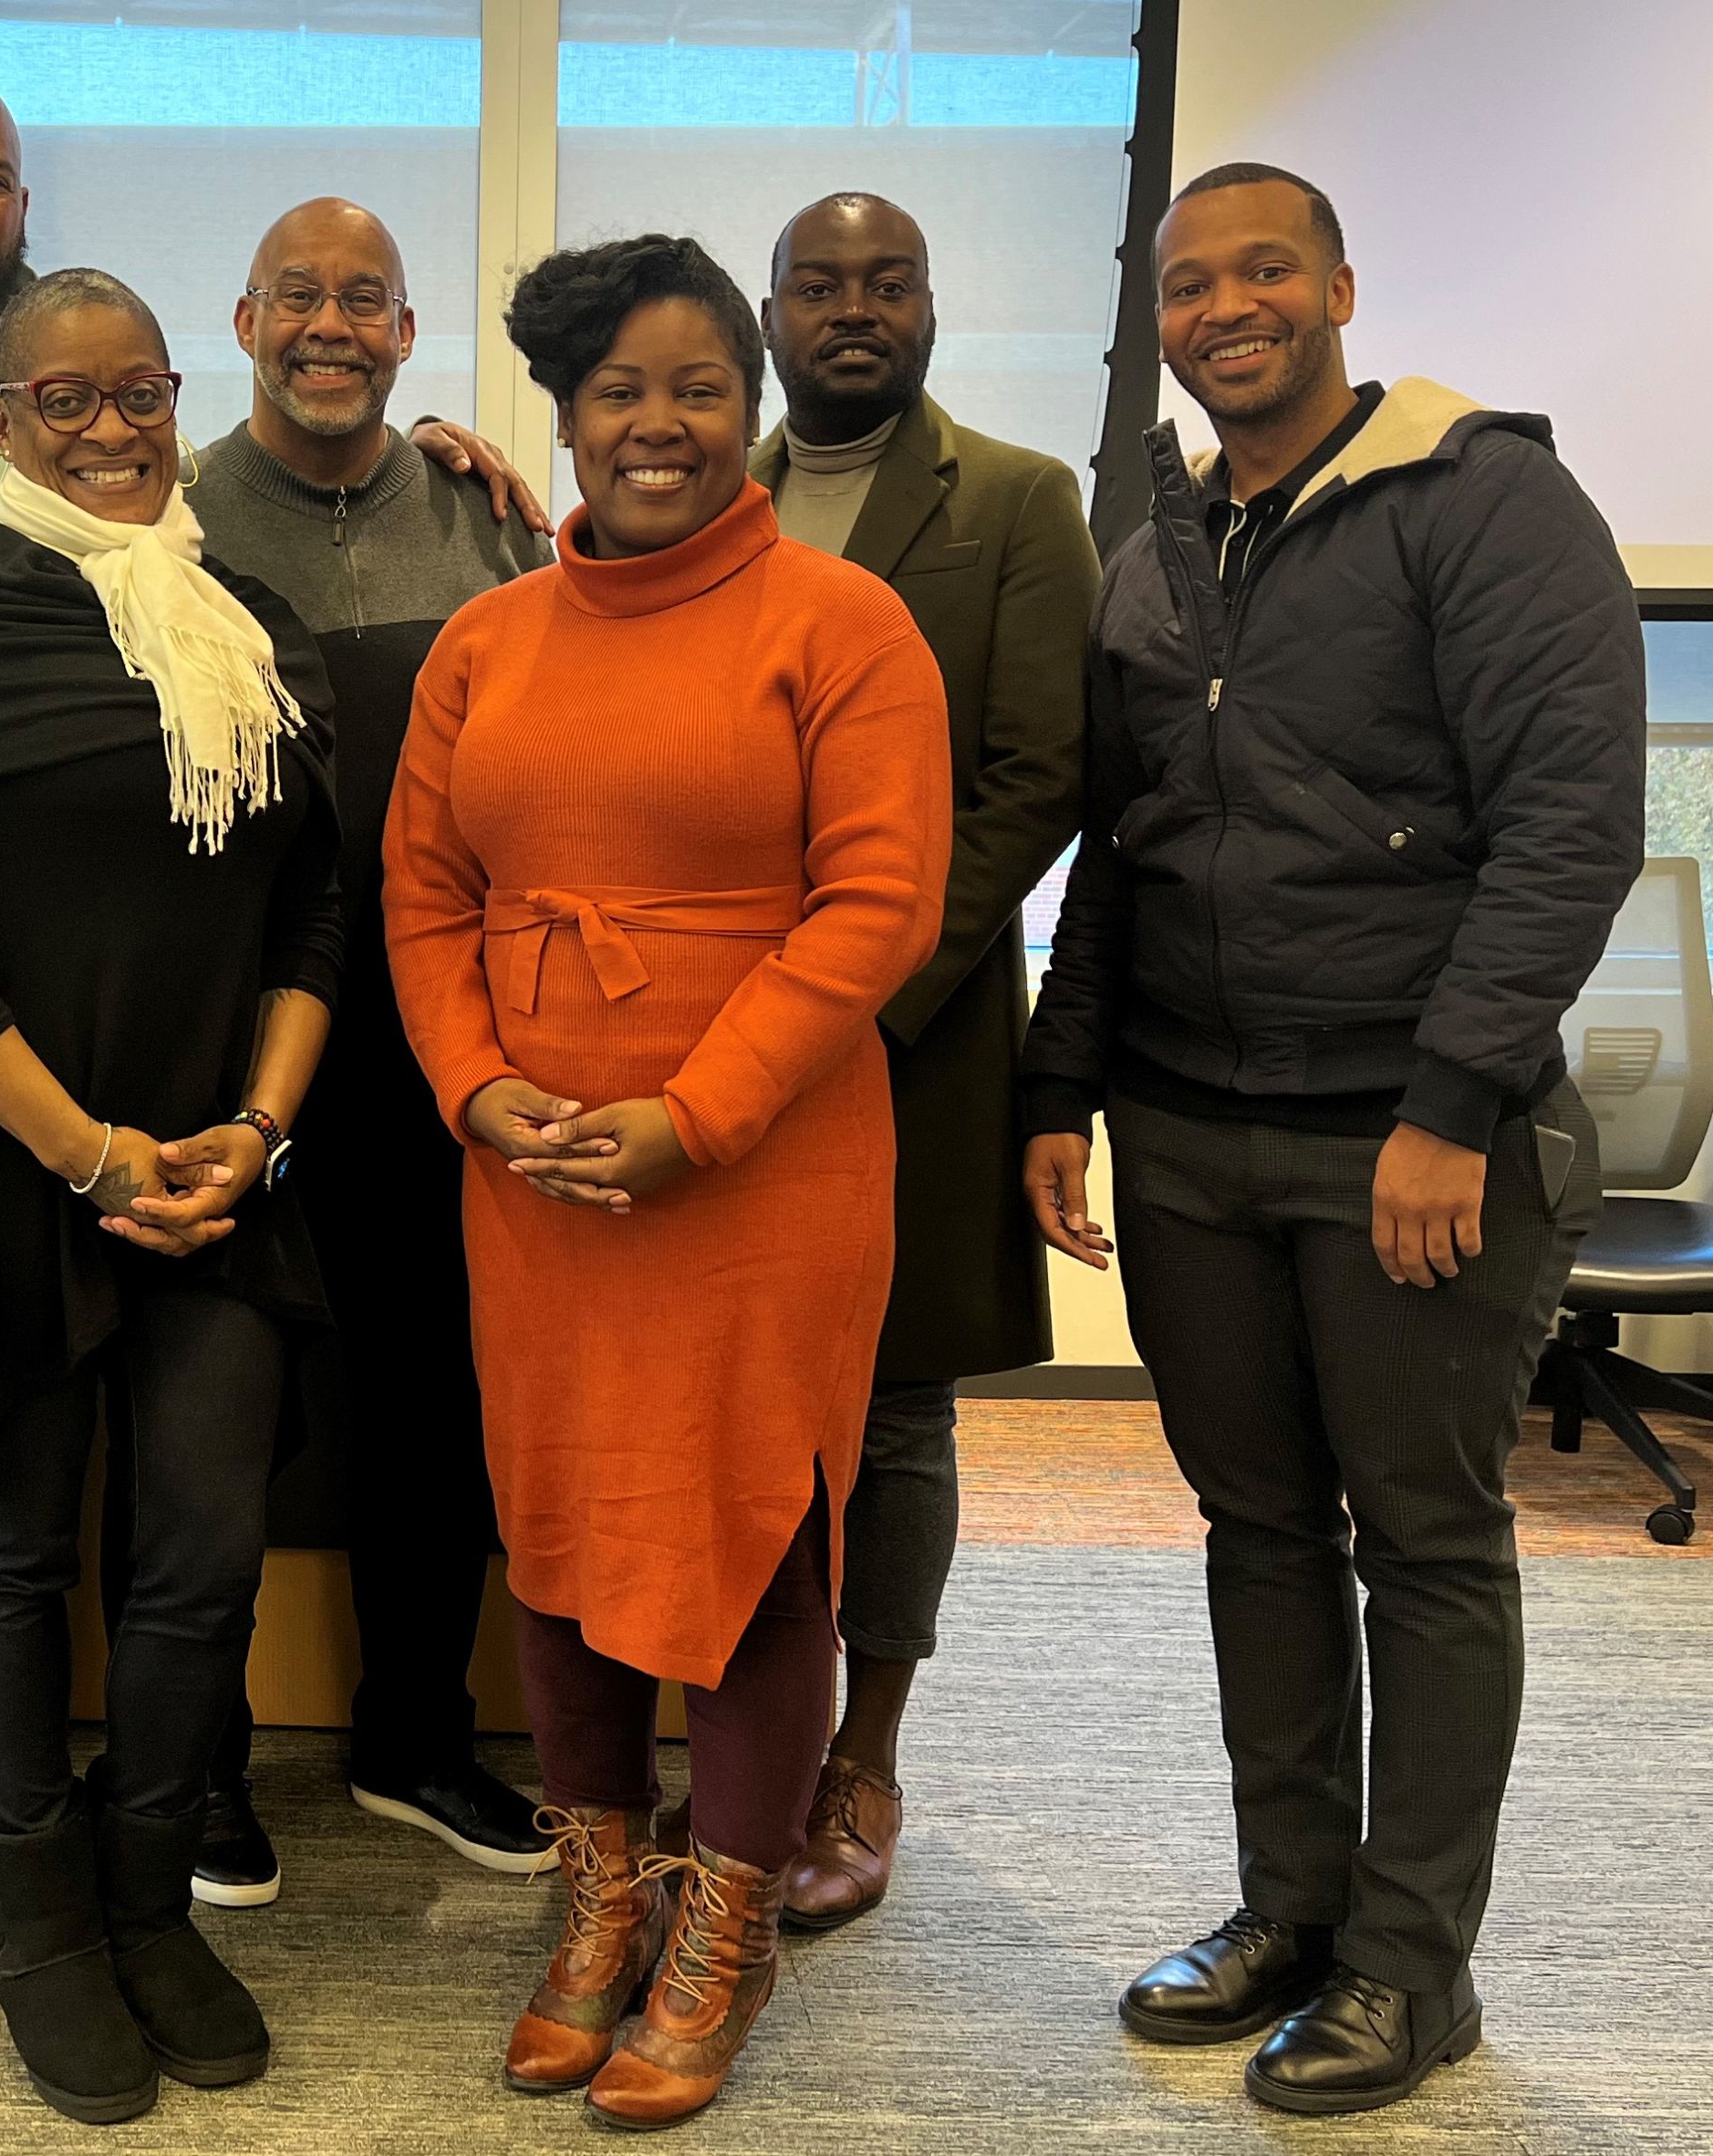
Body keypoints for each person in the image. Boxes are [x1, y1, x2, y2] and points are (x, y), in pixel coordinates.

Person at [0, 73, 531, 1841]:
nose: (108, 426)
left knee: (364, 1387)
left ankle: (331, 1733)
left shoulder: (354, 533)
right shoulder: (50, 510)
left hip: (332, 1029)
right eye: (300, 294)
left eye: (364, 298)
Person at [1019, 163, 1640, 2115]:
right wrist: (1058, 1090)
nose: (1224, 308)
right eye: (1191, 283)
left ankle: (1410, 1968)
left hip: (1409, 1137)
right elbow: (1122, 856)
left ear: (1343, 287)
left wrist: (1450, 1106)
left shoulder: (1487, 502)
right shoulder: (1160, 543)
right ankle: (1287, 1912)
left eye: (1264, 268)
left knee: (1426, 1543)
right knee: (1257, 1533)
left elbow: (1568, 830)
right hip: (1191, 1130)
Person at [383, 234, 950, 2130]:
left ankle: (728, 1914)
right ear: (564, 411)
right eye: (619, 390)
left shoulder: (842, 622)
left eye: (699, 386)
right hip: (535, 1165)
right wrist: (473, 1088)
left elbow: (877, 906)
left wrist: (695, 1112)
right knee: (557, 1531)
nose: (660, 424)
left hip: (762, 1161)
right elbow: (424, 894)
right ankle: (599, 1896)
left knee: (757, 1535)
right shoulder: (486, 641)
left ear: (751, 402)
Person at [0, 268, 338, 2125]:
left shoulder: (245, 625)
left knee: (197, 1558)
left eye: (138, 395)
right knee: (18, 1552)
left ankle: (145, 1896)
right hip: (5, 1163)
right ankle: (36, 1922)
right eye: (65, 403)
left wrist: (252, 1137)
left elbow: (308, 911)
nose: (109, 433)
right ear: (3, 423)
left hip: (216, 1175)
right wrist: (90, 1153)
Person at [133, 195, 550, 1906]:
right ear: (239, 319)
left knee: (430, 1395)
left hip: (440, 1031)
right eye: (296, 295)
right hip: (224, 1038)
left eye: (363, 299)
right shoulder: (163, 517)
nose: (330, 325)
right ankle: (202, 1761)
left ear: (404, 329)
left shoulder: (482, 515)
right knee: (216, 1412)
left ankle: (409, 1735)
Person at [748, 193, 1095, 1929]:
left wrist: (851, 991)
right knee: (731, 1394)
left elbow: (1037, 772)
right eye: (820, 286)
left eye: (886, 283)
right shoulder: (696, 492)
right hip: (713, 1045)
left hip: (914, 1034)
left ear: (932, 304)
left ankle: (860, 1754)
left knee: (890, 1410)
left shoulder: (1019, 501)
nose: (853, 312)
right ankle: (739, 1737)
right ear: (770, 311)